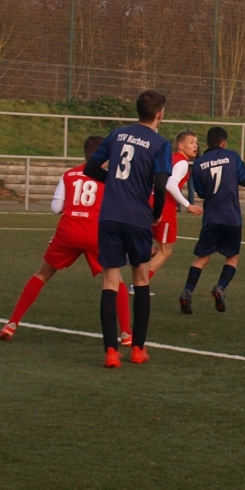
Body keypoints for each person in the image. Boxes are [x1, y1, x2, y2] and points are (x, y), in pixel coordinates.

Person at [83, 91, 173, 367]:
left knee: (110, 282)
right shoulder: (160, 143)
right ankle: (137, 349)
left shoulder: (117, 134)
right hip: (137, 217)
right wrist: (156, 214)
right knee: (141, 279)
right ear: (159, 114)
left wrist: (113, 182)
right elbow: (160, 185)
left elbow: (90, 168)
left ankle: (111, 351)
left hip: (110, 216)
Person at [0, 136, 118, 340]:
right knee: (114, 280)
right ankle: (126, 333)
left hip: (68, 231)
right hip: (95, 233)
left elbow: (56, 207)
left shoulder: (69, 174)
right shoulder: (108, 178)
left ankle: (11, 324)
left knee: (42, 274)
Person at [181, 126, 245, 315]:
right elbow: (243, 180)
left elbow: (201, 192)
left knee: (202, 257)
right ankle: (220, 287)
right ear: (223, 143)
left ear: (207, 143)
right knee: (232, 257)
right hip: (232, 217)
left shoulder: (199, 164)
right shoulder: (232, 156)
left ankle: (187, 291)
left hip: (211, 217)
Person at [147, 128, 202, 297]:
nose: (195, 146)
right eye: (191, 142)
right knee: (165, 250)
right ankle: (139, 283)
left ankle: (131, 254)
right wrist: (188, 205)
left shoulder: (168, 159)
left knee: (156, 247)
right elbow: (170, 184)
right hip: (164, 208)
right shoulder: (182, 162)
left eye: (196, 143)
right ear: (180, 145)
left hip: (150, 203)